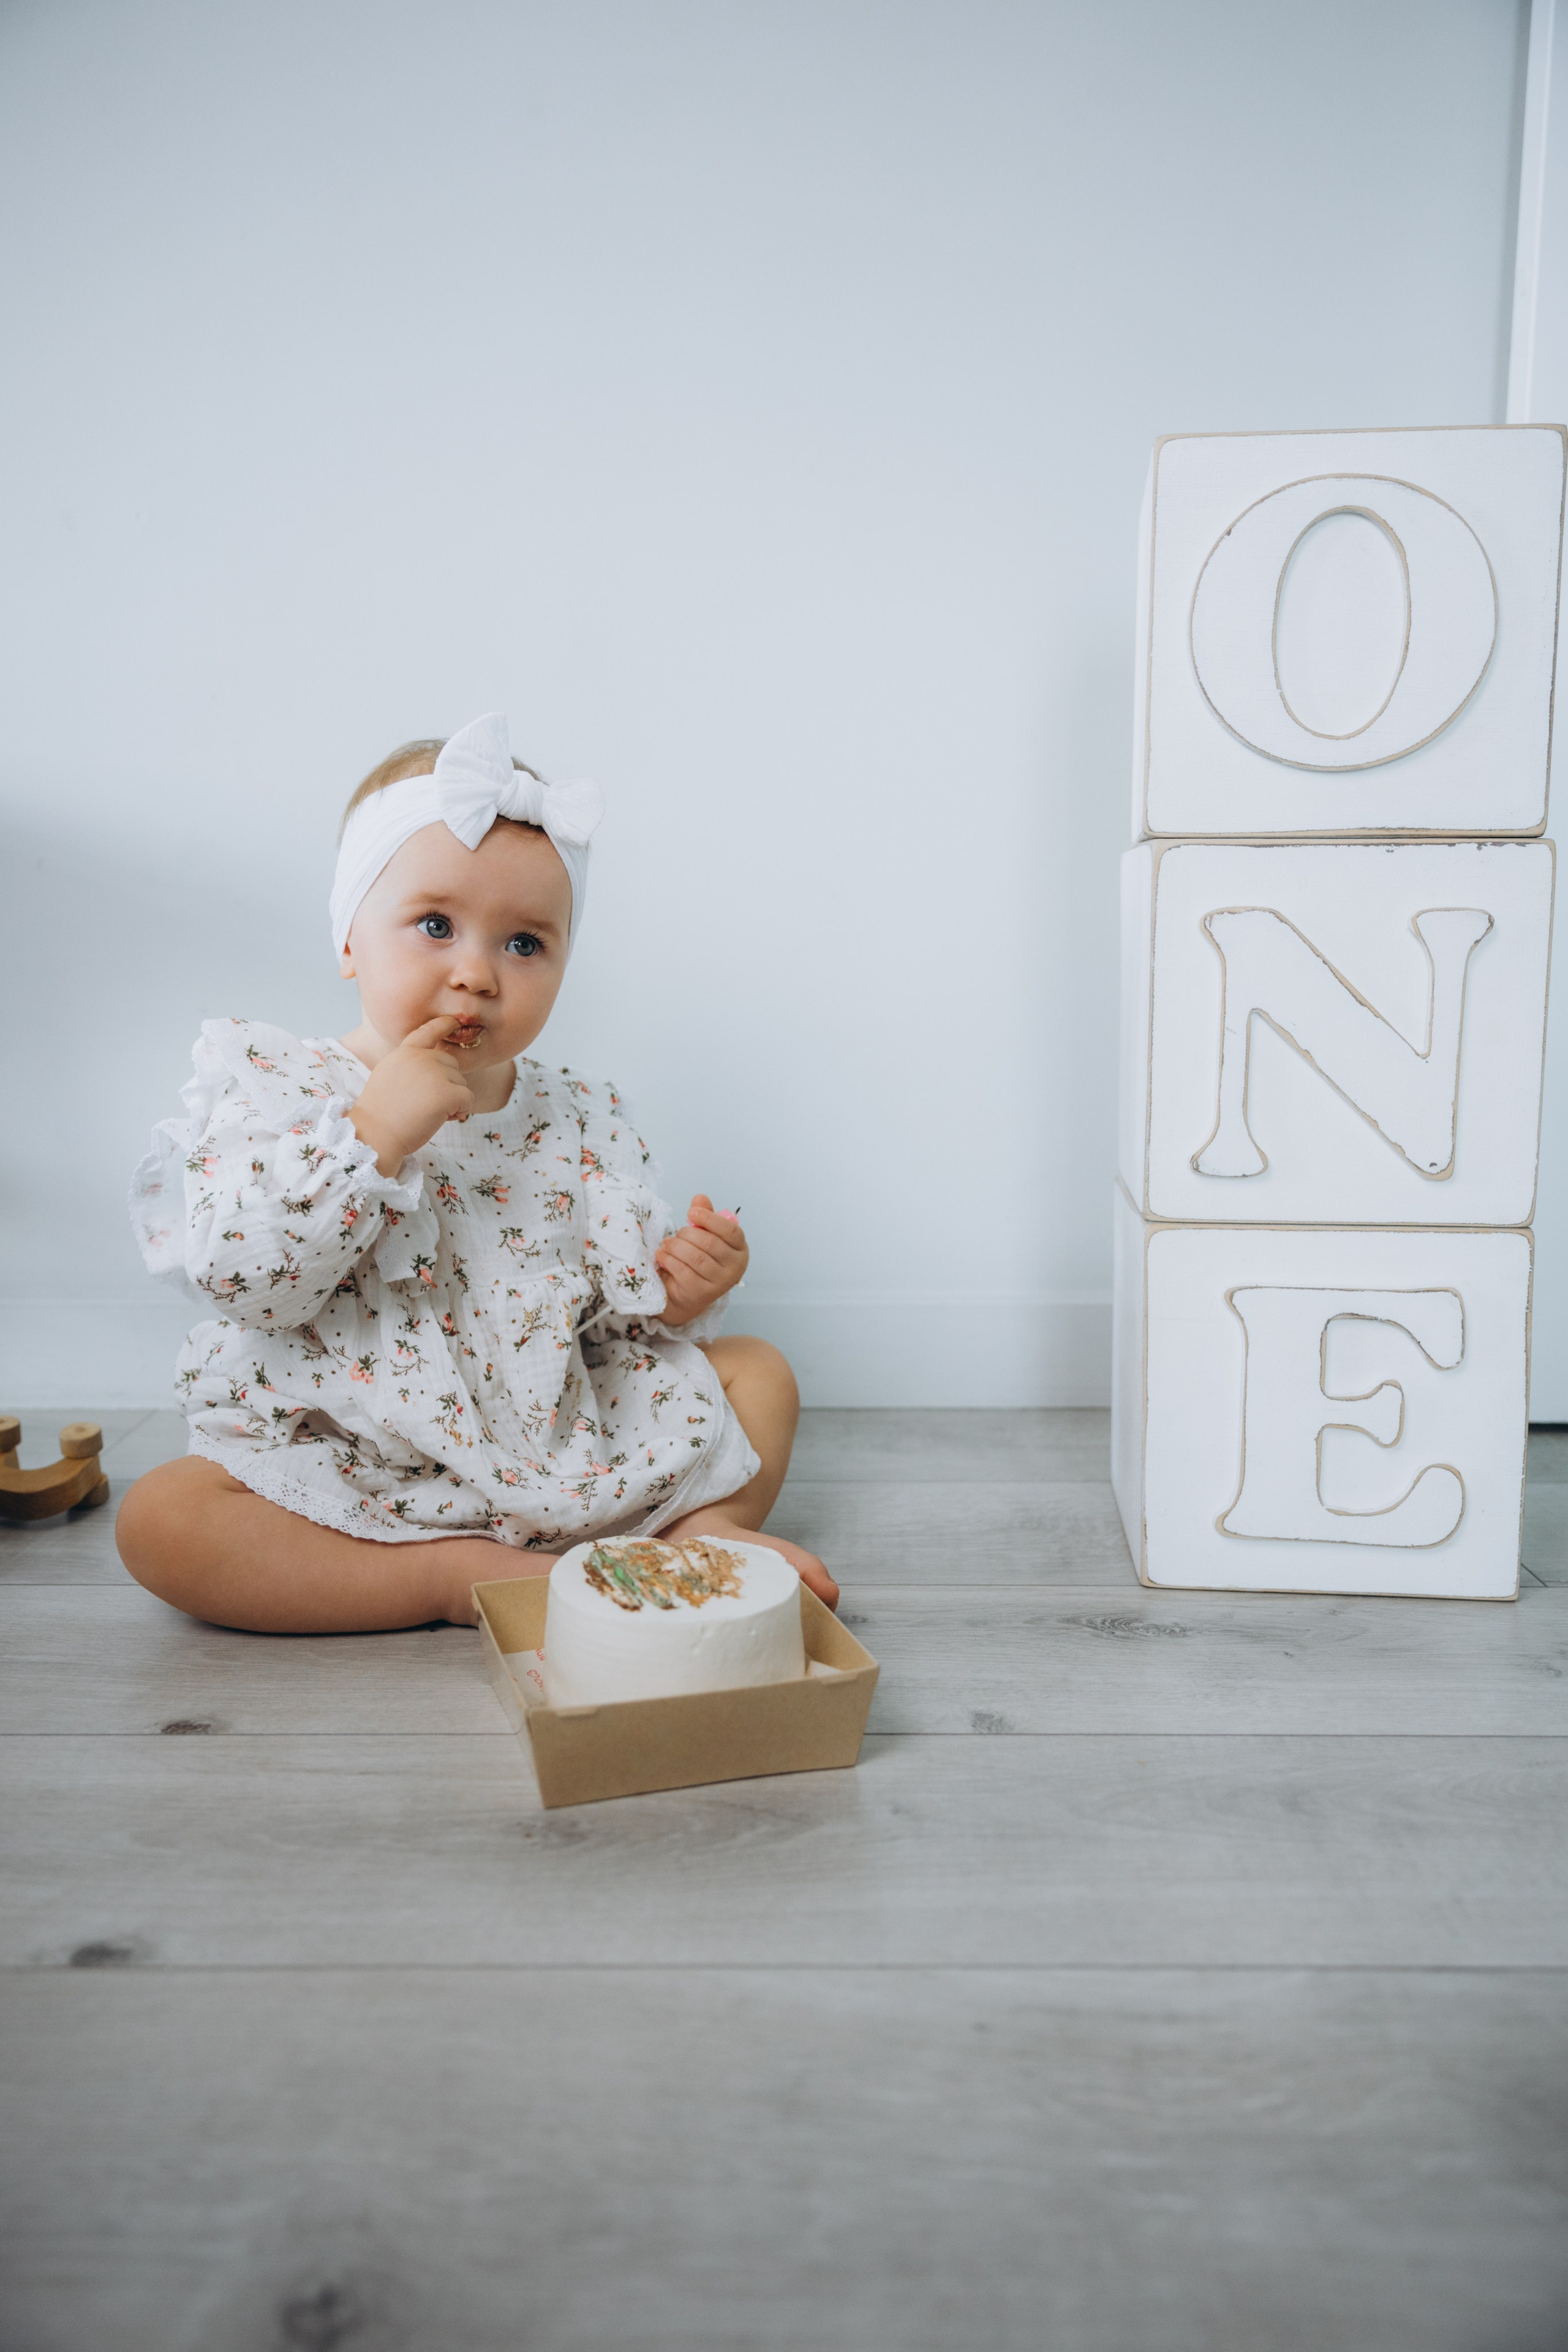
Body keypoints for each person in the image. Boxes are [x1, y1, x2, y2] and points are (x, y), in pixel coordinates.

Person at [117, 714, 835, 1634]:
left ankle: (702, 1530)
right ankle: (451, 1577)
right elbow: (242, 1283)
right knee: (166, 1519)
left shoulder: (576, 1114)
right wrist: (372, 1136)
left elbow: (603, 1321)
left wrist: (677, 1290)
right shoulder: (280, 1089)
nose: (478, 974)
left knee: (759, 1372)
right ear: (349, 938)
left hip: (559, 1437)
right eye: (434, 925)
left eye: (524, 944)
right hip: (366, 1462)